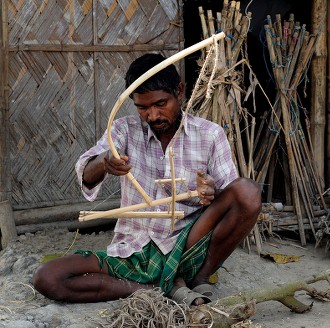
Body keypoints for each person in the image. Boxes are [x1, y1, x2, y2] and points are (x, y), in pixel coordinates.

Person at [32, 53, 261, 306]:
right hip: (132, 249)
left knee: (247, 191)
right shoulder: (123, 130)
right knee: (47, 277)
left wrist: (212, 192)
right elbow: (85, 173)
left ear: (180, 92)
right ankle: (153, 288)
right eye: (143, 107)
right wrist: (105, 162)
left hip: (187, 245)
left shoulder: (209, 134)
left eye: (161, 104)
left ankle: (198, 276)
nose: (152, 115)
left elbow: (230, 196)